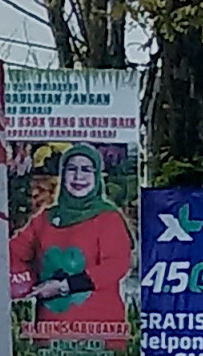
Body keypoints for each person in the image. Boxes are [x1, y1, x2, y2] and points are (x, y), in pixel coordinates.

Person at [9, 143, 132, 343]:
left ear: (97, 177)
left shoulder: (108, 218)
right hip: (51, 333)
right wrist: (22, 280)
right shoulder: (46, 218)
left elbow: (116, 265)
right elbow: (14, 252)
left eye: (86, 170)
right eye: (71, 169)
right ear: (62, 174)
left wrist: (64, 286)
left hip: (99, 334)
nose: (78, 177)